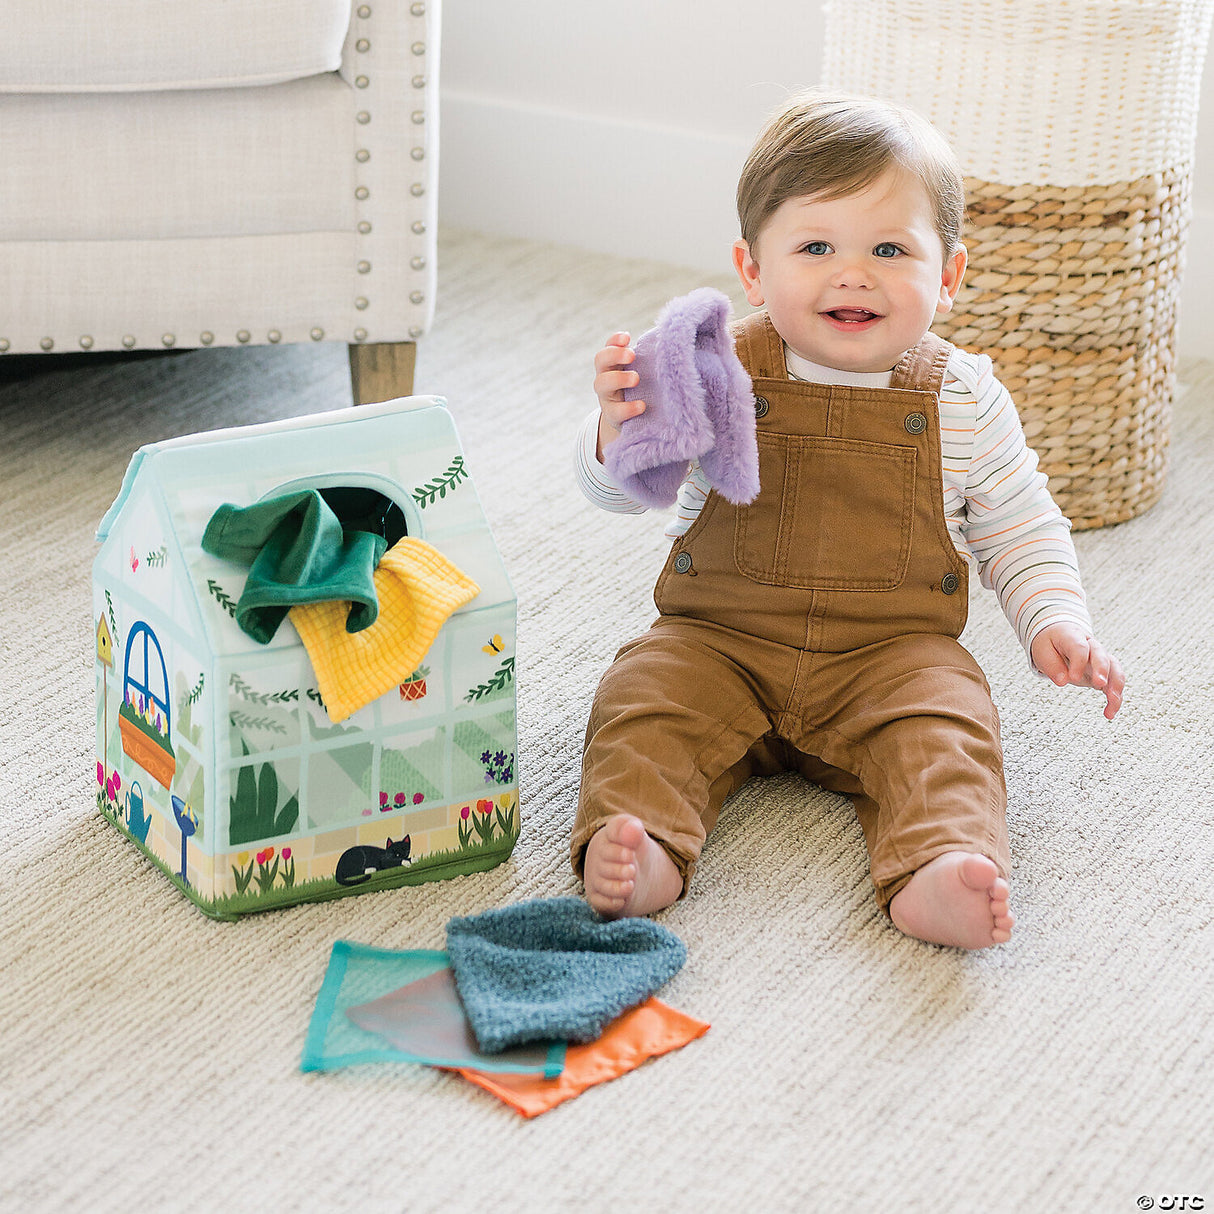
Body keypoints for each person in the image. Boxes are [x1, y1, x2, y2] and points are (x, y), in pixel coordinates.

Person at [571, 91, 1125, 949]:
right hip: (720, 641)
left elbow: (1019, 522)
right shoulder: (717, 375)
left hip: (890, 657)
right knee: (644, 700)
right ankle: (640, 844)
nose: (853, 272)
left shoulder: (963, 396)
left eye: (890, 249)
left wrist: (1056, 618)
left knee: (950, 726)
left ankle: (938, 868)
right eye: (816, 246)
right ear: (752, 270)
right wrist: (619, 429)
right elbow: (623, 492)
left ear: (947, 277)